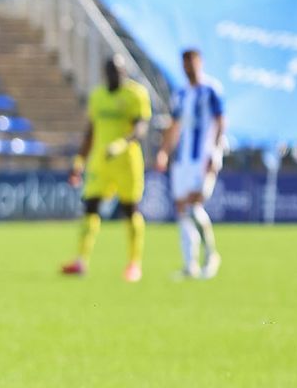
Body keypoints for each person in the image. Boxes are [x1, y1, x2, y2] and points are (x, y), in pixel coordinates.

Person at [62, 53, 152, 281]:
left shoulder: (135, 94)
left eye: (119, 71)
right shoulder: (98, 96)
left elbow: (141, 128)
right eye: (112, 71)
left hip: (127, 163)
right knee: (90, 207)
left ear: (125, 72)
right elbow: (91, 131)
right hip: (100, 163)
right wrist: (79, 161)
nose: (115, 75)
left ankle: (134, 264)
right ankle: (81, 261)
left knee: (130, 209)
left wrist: (122, 143)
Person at [154, 48, 225, 279]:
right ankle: (190, 264)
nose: (188, 68)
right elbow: (174, 126)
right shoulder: (181, 94)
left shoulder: (211, 89)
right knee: (182, 210)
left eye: (192, 63)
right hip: (182, 160)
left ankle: (211, 255)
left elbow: (221, 122)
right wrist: (164, 152)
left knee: (194, 205)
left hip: (203, 157)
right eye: (185, 64)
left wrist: (216, 151)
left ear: (200, 63)